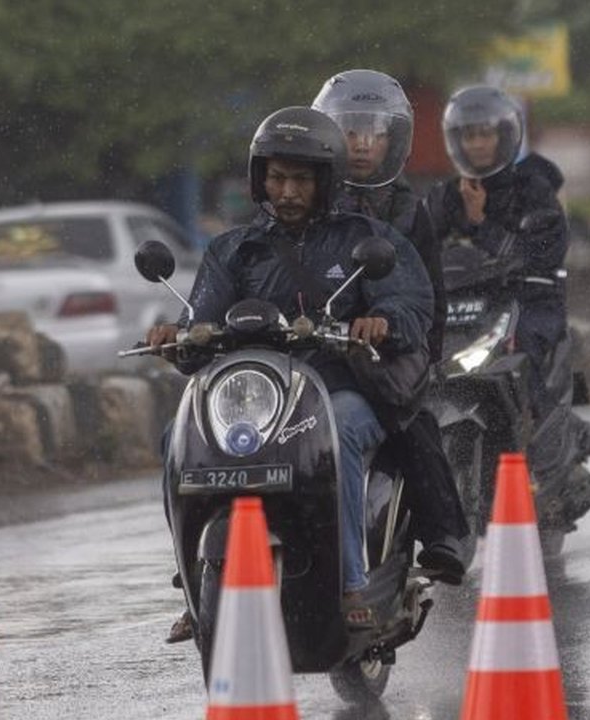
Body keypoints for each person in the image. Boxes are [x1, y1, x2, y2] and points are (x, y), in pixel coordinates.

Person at [149, 106, 434, 634]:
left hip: (342, 384)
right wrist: (176, 337)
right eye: (277, 178)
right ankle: (192, 586)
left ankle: (351, 584)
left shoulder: (364, 240)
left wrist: (380, 320)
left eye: (300, 179)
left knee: (343, 431)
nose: (287, 191)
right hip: (256, 397)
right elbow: (200, 319)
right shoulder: (234, 250)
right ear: (261, 180)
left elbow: (411, 305)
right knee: (175, 439)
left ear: (325, 182)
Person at [312, 68, 469, 578]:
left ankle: (444, 533)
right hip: (315, 348)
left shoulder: (407, 210)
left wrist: (427, 354)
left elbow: (432, 293)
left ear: (390, 140)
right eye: (349, 132)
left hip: (391, 348)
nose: (360, 144)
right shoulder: (308, 203)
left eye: (372, 133)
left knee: (409, 423)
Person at [421, 84, 568, 421]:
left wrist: (479, 222)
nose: (477, 144)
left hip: (529, 301)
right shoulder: (446, 195)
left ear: (504, 136)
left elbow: (541, 253)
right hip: (463, 304)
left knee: (523, 356)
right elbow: (417, 245)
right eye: (469, 136)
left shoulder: (533, 188)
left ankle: (545, 450)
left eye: (485, 134)